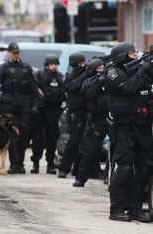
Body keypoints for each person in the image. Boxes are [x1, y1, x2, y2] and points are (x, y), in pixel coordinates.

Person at [105, 42, 151, 222]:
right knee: (124, 169)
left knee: (143, 168)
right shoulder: (112, 72)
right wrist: (142, 70)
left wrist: (146, 68)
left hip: (140, 126)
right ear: (121, 56)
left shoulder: (136, 68)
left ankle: (135, 209)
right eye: (132, 53)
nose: (136, 54)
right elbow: (127, 87)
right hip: (123, 128)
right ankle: (116, 209)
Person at [0, 42, 40, 174]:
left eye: (17, 53)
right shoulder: (3, 68)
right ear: (9, 53)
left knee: (25, 136)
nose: (16, 55)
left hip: (24, 106)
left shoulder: (26, 68)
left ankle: (20, 163)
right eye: (14, 52)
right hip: (9, 107)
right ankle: (14, 164)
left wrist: (36, 105)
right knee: (12, 136)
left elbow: (34, 89)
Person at [73, 58, 109, 187]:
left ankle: (108, 176)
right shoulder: (89, 82)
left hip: (111, 117)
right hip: (96, 119)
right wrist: (99, 82)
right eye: (99, 68)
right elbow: (89, 95)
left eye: (103, 67)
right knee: (90, 150)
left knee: (115, 148)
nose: (102, 70)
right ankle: (80, 177)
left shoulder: (109, 78)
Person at [30, 53, 65, 174]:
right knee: (38, 139)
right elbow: (34, 90)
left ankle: (50, 164)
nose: (54, 66)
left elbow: (63, 92)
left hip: (54, 111)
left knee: (52, 140)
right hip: (41, 111)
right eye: (51, 64)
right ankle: (35, 163)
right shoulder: (39, 75)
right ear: (47, 65)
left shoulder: (60, 77)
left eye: (55, 64)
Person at [58, 53, 88, 178]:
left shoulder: (86, 74)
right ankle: (64, 168)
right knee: (73, 142)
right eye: (80, 63)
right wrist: (85, 73)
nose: (82, 65)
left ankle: (79, 169)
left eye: (83, 63)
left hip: (88, 111)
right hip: (76, 113)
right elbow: (73, 87)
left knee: (86, 143)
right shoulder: (70, 76)